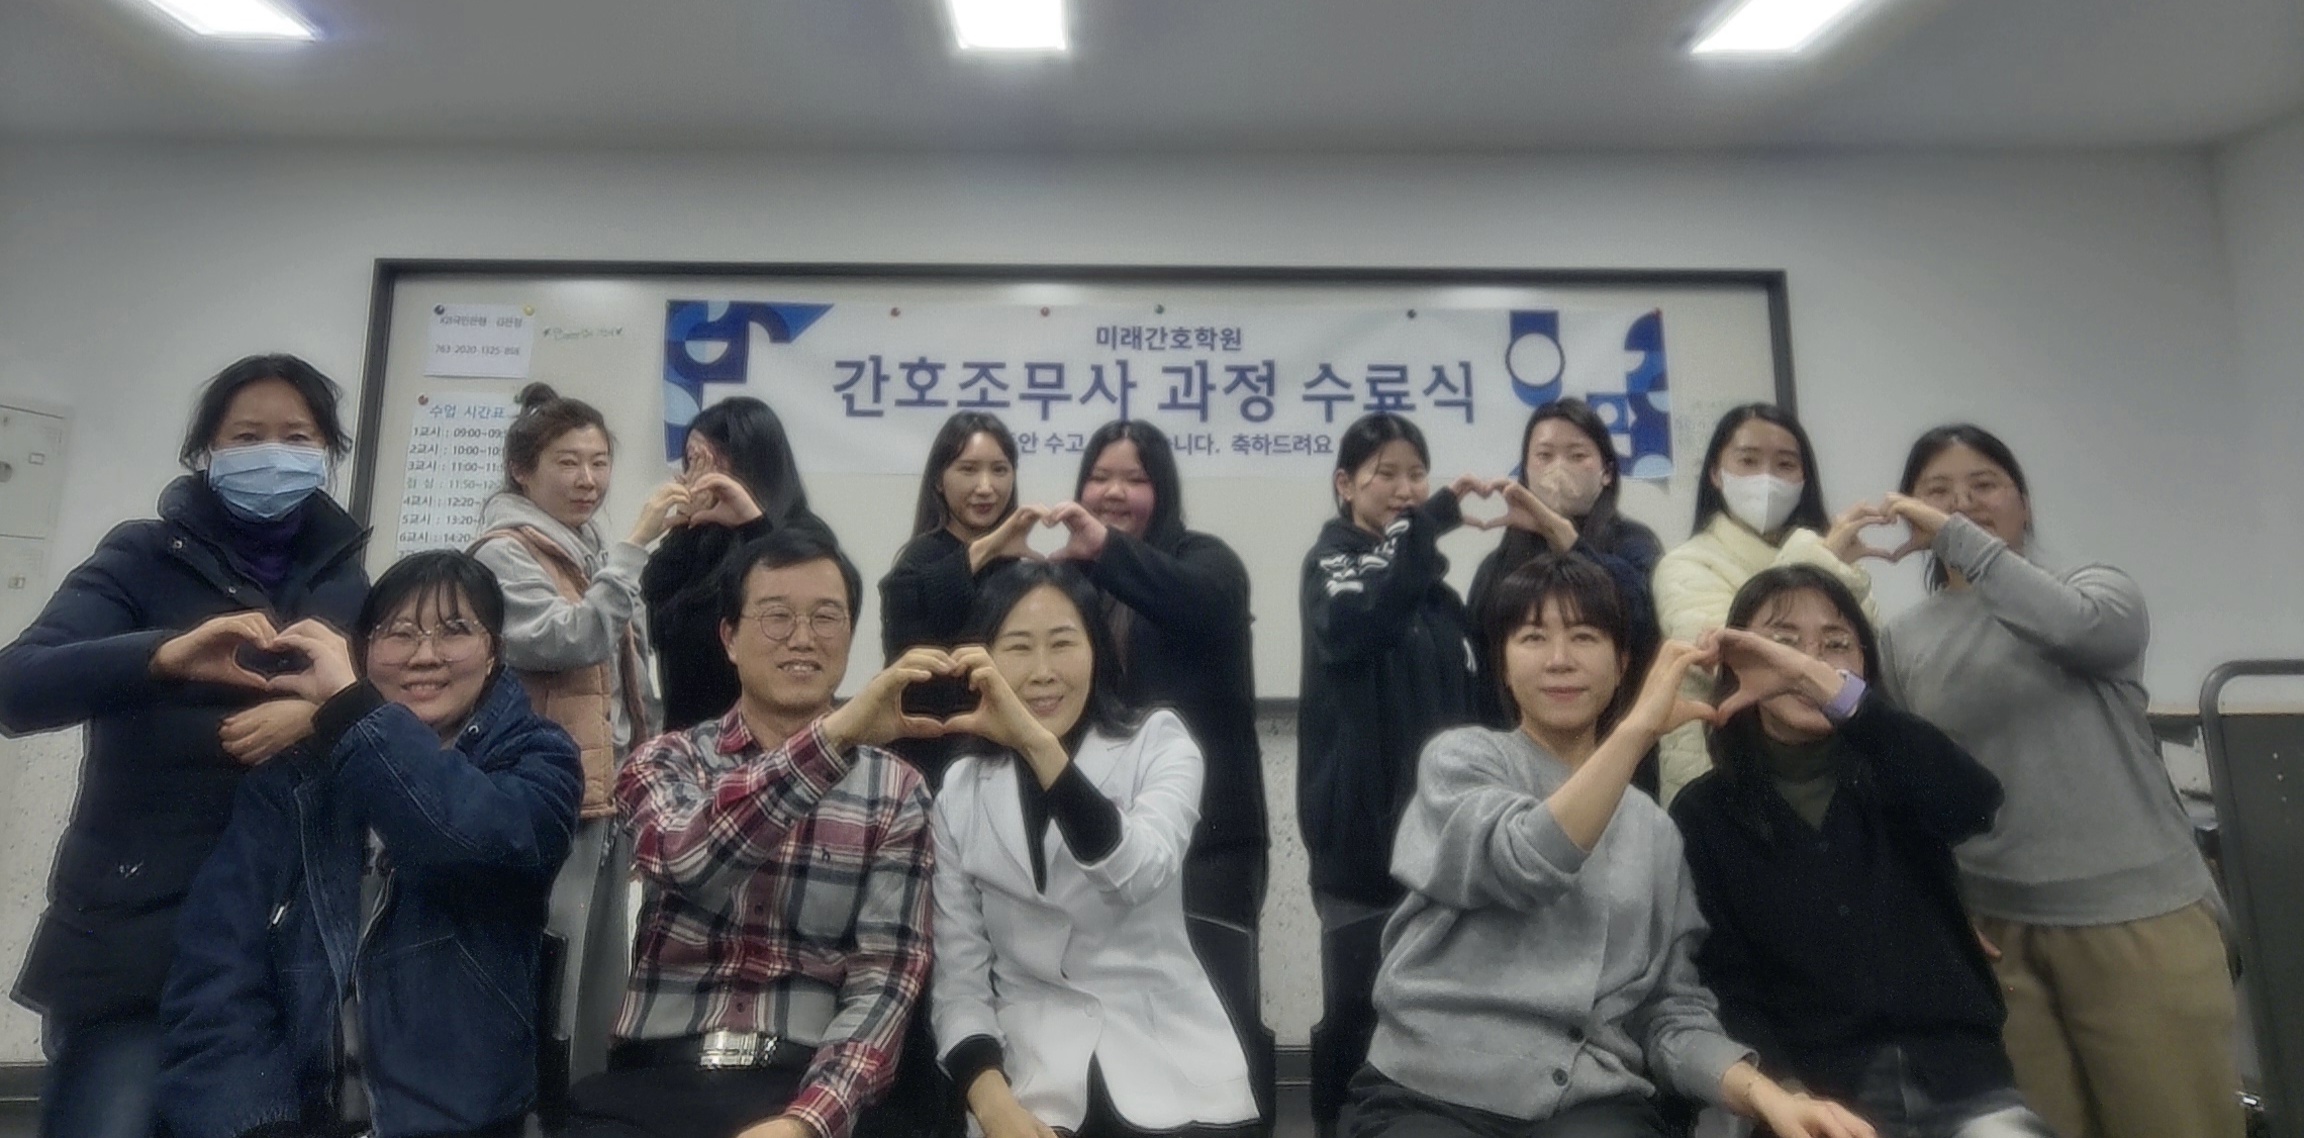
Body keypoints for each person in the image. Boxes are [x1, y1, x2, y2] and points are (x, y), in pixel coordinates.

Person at [1342, 554, 1876, 1138]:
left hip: (1588, 1099)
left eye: (1584, 636)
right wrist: (1636, 730)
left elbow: (1670, 1013)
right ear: (1503, 664)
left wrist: (1768, 1096)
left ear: (1623, 665)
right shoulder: (1461, 762)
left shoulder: (1654, 830)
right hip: (1433, 1089)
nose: (1560, 659)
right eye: (1533, 637)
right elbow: (1526, 862)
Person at [0, 353, 369, 1138]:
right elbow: (16, 687)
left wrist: (320, 718)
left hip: (283, 949)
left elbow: (387, 718)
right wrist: (161, 657)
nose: (273, 455)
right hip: (138, 941)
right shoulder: (141, 557)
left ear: (328, 452)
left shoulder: (348, 583)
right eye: (247, 436)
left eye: (297, 436)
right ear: (206, 450)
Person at [1878, 425, 2240, 1138]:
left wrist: (1961, 541)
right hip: (1996, 934)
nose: (1963, 505)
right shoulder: (1903, 637)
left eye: (1984, 485)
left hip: (2139, 920)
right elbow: (1911, 786)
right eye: (1938, 492)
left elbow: (2077, 631)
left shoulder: (2096, 590)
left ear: (2024, 502)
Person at [156, 551, 584, 1138]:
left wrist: (355, 713)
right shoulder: (293, 781)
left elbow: (467, 841)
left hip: (464, 1121)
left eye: (455, 630)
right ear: (363, 651)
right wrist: (258, 1123)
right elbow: (216, 973)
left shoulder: (540, 757)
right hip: (304, 1119)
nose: (425, 655)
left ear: (494, 653)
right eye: (400, 633)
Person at [564, 526, 936, 1138]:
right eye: (776, 616)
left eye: (826, 618)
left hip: (803, 1084)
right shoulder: (666, 760)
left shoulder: (896, 789)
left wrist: (808, 1121)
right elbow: (688, 861)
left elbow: (885, 981)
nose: (803, 638)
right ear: (730, 638)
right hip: (654, 1084)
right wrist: (832, 740)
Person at [1670, 566, 2055, 1138]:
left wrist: (1822, 684)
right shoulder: (1704, 813)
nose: (1810, 662)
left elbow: (1974, 802)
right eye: (1783, 643)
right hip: (1819, 1097)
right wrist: (1786, 1096)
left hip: (1960, 1081)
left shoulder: (1897, 764)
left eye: (1836, 644)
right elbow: (1726, 981)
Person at [932, 561, 1259, 1138]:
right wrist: (993, 1104)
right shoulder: (961, 790)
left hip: (1174, 1071)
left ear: (1097, 652)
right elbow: (959, 980)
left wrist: (1036, 744)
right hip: (1035, 1081)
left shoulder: (1158, 744)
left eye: (1063, 643)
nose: (1043, 672)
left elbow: (1137, 872)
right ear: (984, 661)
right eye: (1018, 648)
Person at [1047, 420, 1274, 1120]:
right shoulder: (1068, 580)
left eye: (1134, 479)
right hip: (1100, 843)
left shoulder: (1207, 562)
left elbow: (1203, 605)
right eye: (1101, 477)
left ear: (1163, 489)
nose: (1114, 493)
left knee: (1214, 1027)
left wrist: (1106, 551)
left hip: (1210, 845)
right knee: (1111, 1030)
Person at [472, 382, 674, 1101]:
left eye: (598, 462)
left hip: (604, 795)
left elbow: (630, 679)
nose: (589, 479)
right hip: (545, 797)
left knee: (598, 980)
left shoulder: (583, 551)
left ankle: (586, 1111)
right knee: (551, 975)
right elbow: (571, 639)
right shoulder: (502, 554)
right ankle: (532, 1112)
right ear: (522, 471)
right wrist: (635, 548)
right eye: (568, 462)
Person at [1296, 412, 1487, 1137]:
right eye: (1387, 474)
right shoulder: (1331, 564)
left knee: (1444, 1018)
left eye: (1417, 474)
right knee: (1358, 1015)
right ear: (1345, 485)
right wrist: (1427, 525)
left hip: (1444, 847)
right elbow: (1356, 622)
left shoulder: (1438, 598)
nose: (1406, 489)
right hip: (1361, 852)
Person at [1651, 403, 1886, 804]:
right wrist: (1820, 561)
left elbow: (1865, 661)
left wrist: (1829, 562)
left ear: (1804, 478)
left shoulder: (1830, 559)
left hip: (1830, 770)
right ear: (1716, 473)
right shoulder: (1685, 563)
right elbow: (1727, 656)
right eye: (1748, 461)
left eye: (1785, 464)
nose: (1767, 478)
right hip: (1721, 776)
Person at [1467, 398, 1666, 722]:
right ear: (1525, 470)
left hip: (1617, 732)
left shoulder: (1634, 543)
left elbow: (1644, 625)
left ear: (1607, 472)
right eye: (1544, 456)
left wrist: (1570, 542)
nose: (1558, 467)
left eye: (1577, 455)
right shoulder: (1498, 564)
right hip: (1515, 735)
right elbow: (1481, 661)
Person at [646, 397, 831, 734]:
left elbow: (790, 595)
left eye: (710, 461)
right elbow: (654, 592)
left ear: (754, 462)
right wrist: (686, 526)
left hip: (773, 734)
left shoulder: (803, 534)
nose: (700, 476)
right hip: (689, 735)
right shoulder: (701, 535)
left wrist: (752, 523)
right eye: (692, 461)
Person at [878, 409, 1023, 791]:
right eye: (968, 469)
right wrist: (984, 550)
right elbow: (913, 652)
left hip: (1002, 761)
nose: (986, 487)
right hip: (928, 761)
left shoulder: (1017, 567)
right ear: (939, 481)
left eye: (1000, 470)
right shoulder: (917, 561)